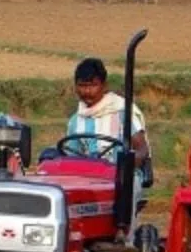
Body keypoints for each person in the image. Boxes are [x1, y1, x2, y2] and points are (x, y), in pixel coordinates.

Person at [64, 57, 153, 194]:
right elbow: (71, 155)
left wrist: (125, 166)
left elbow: (142, 149)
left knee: (123, 189)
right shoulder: (75, 121)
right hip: (88, 177)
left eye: (93, 85)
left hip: (121, 176)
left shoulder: (122, 112)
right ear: (75, 87)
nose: (87, 91)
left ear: (104, 85)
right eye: (82, 85)